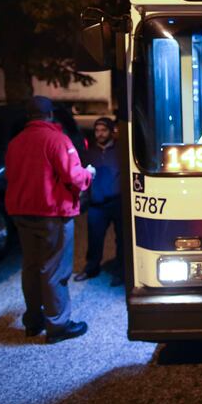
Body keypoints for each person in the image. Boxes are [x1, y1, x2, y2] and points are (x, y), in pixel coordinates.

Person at [5, 96, 96, 344]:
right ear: (50, 115)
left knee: (32, 267)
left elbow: (12, 176)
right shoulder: (57, 139)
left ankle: (33, 321)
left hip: (22, 212)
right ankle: (58, 325)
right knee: (54, 268)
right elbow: (74, 177)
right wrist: (88, 175)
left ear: (29, 116)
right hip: (52, 213)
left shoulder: (15, 143)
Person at [74, 117, 124, 286]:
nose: (100, 134)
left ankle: (121, 272)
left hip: (117, 203)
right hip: (97, 204)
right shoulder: (89, 153)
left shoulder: (120, 151)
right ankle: (91, 268)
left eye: (103, 130)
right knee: (94, 238)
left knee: (122, 240)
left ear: (111, 131)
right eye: (97, 130)